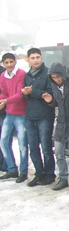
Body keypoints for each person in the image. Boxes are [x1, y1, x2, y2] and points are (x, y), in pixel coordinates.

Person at [43, 63, 69, 190]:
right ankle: (63, 177)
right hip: (60, 123)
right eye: (54, 77)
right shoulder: (53, 86)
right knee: (58, 152)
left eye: (58, 77)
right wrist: (50, 101)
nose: (57, 79)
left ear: (62, 75)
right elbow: (56, 103)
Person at [22, 48, 56, 187]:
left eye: (38, 57)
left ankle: (49, 174)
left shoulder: (48, 74)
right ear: (28, 60)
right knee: (33, 148)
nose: (36, 60)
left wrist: (32, 91)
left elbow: (49, 93)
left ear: (41, 58)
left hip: (45, 116)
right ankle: (39, 174)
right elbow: (26, 95)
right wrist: (25, 93)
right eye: (33, 58)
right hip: (30, 116)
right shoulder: (27, 75)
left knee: (46, 147)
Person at [0, 53, 29, 182]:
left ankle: (23, 172)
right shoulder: (3, 76)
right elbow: (3, 92)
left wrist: (5, 101)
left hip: (21, 114)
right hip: (9, 113)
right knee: (3, 142)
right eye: (7, 63)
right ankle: (12, 169)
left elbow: (20, 94)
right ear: (3, 64)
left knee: (22, 145)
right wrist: (2, 100)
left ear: (15, 62)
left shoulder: (21, 74)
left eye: (11, 62)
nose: (9, 65)